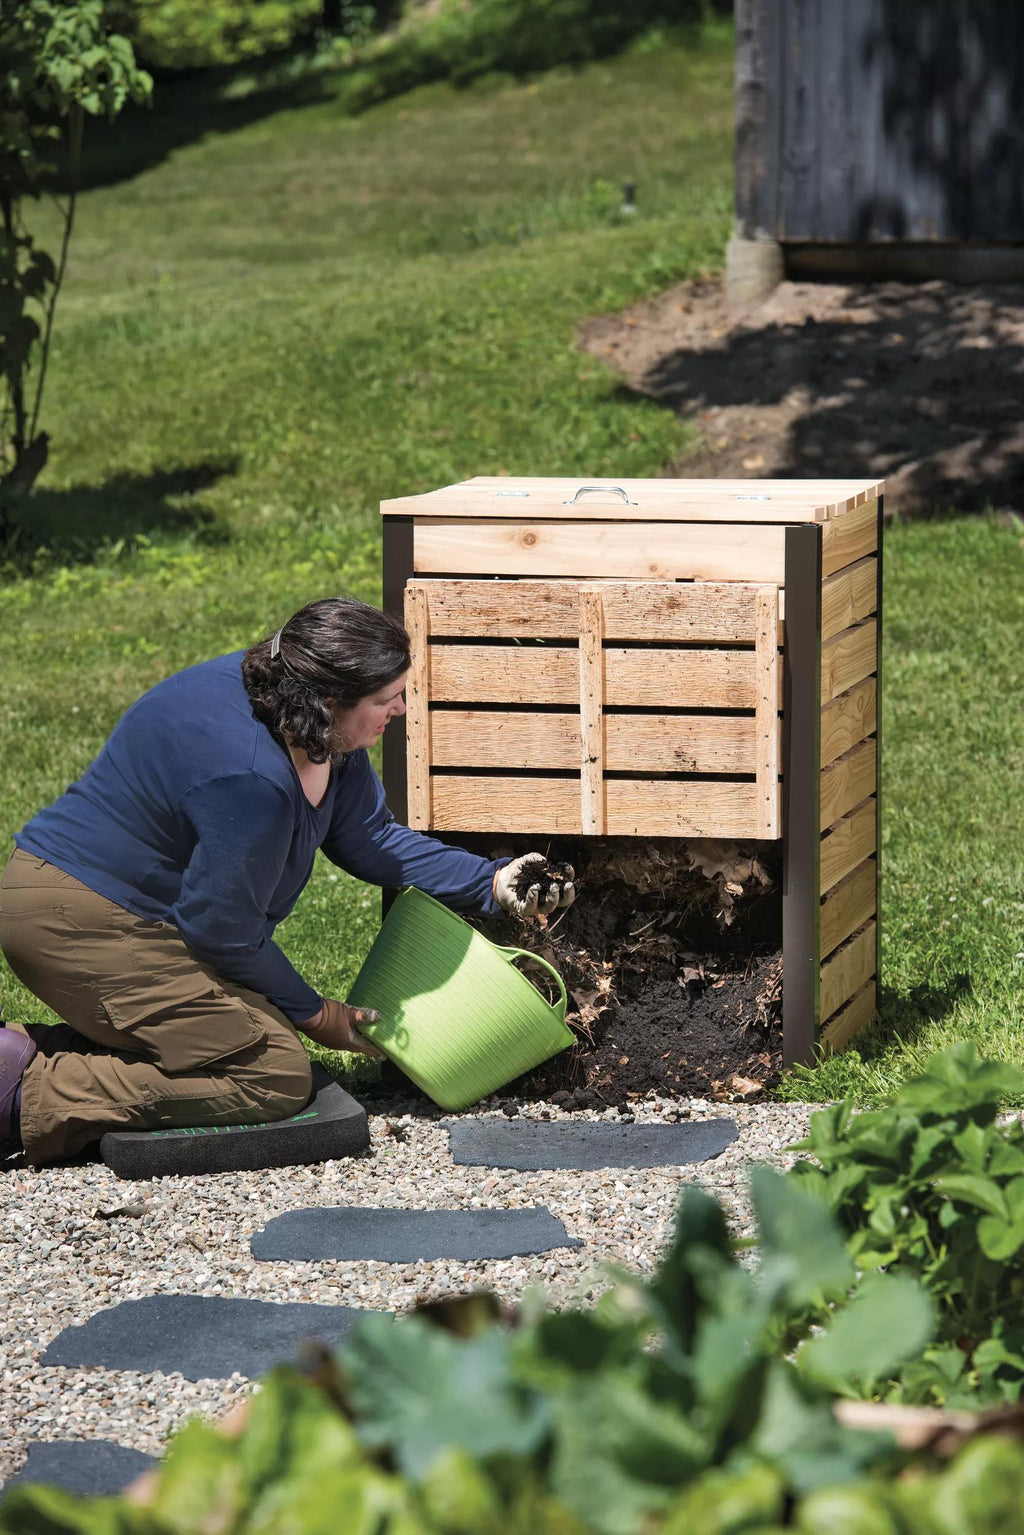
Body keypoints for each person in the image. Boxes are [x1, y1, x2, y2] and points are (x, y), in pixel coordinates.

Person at [0, 596, 574, 1165]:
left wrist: (491, 881)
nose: (399, 709)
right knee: (269, 1071)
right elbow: (222, 930)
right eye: (386, 699)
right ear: (330, 699)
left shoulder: (304, 714)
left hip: (143, 913)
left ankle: (18, 1054)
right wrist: (318, 1015)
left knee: (246, 1035)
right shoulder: (253, 777)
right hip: (77, 919)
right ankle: (23, 1099)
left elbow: (368, 838)